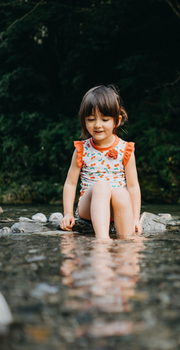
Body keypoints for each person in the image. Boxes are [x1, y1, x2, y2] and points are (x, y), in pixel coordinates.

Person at [60, 85, 142, 240]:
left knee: (121, 192)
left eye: (104, 119)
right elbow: (70, 183)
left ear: (116, 121)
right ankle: (103, 240)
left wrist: (136, 218)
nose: (97, 125)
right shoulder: (82, 149)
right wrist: (68, 214)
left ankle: (127, 242)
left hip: (116, 207)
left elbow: (133, 185)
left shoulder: (125, 149)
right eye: (91, 119)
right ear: (84, 121)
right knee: (101, 186)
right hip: (89, 207)